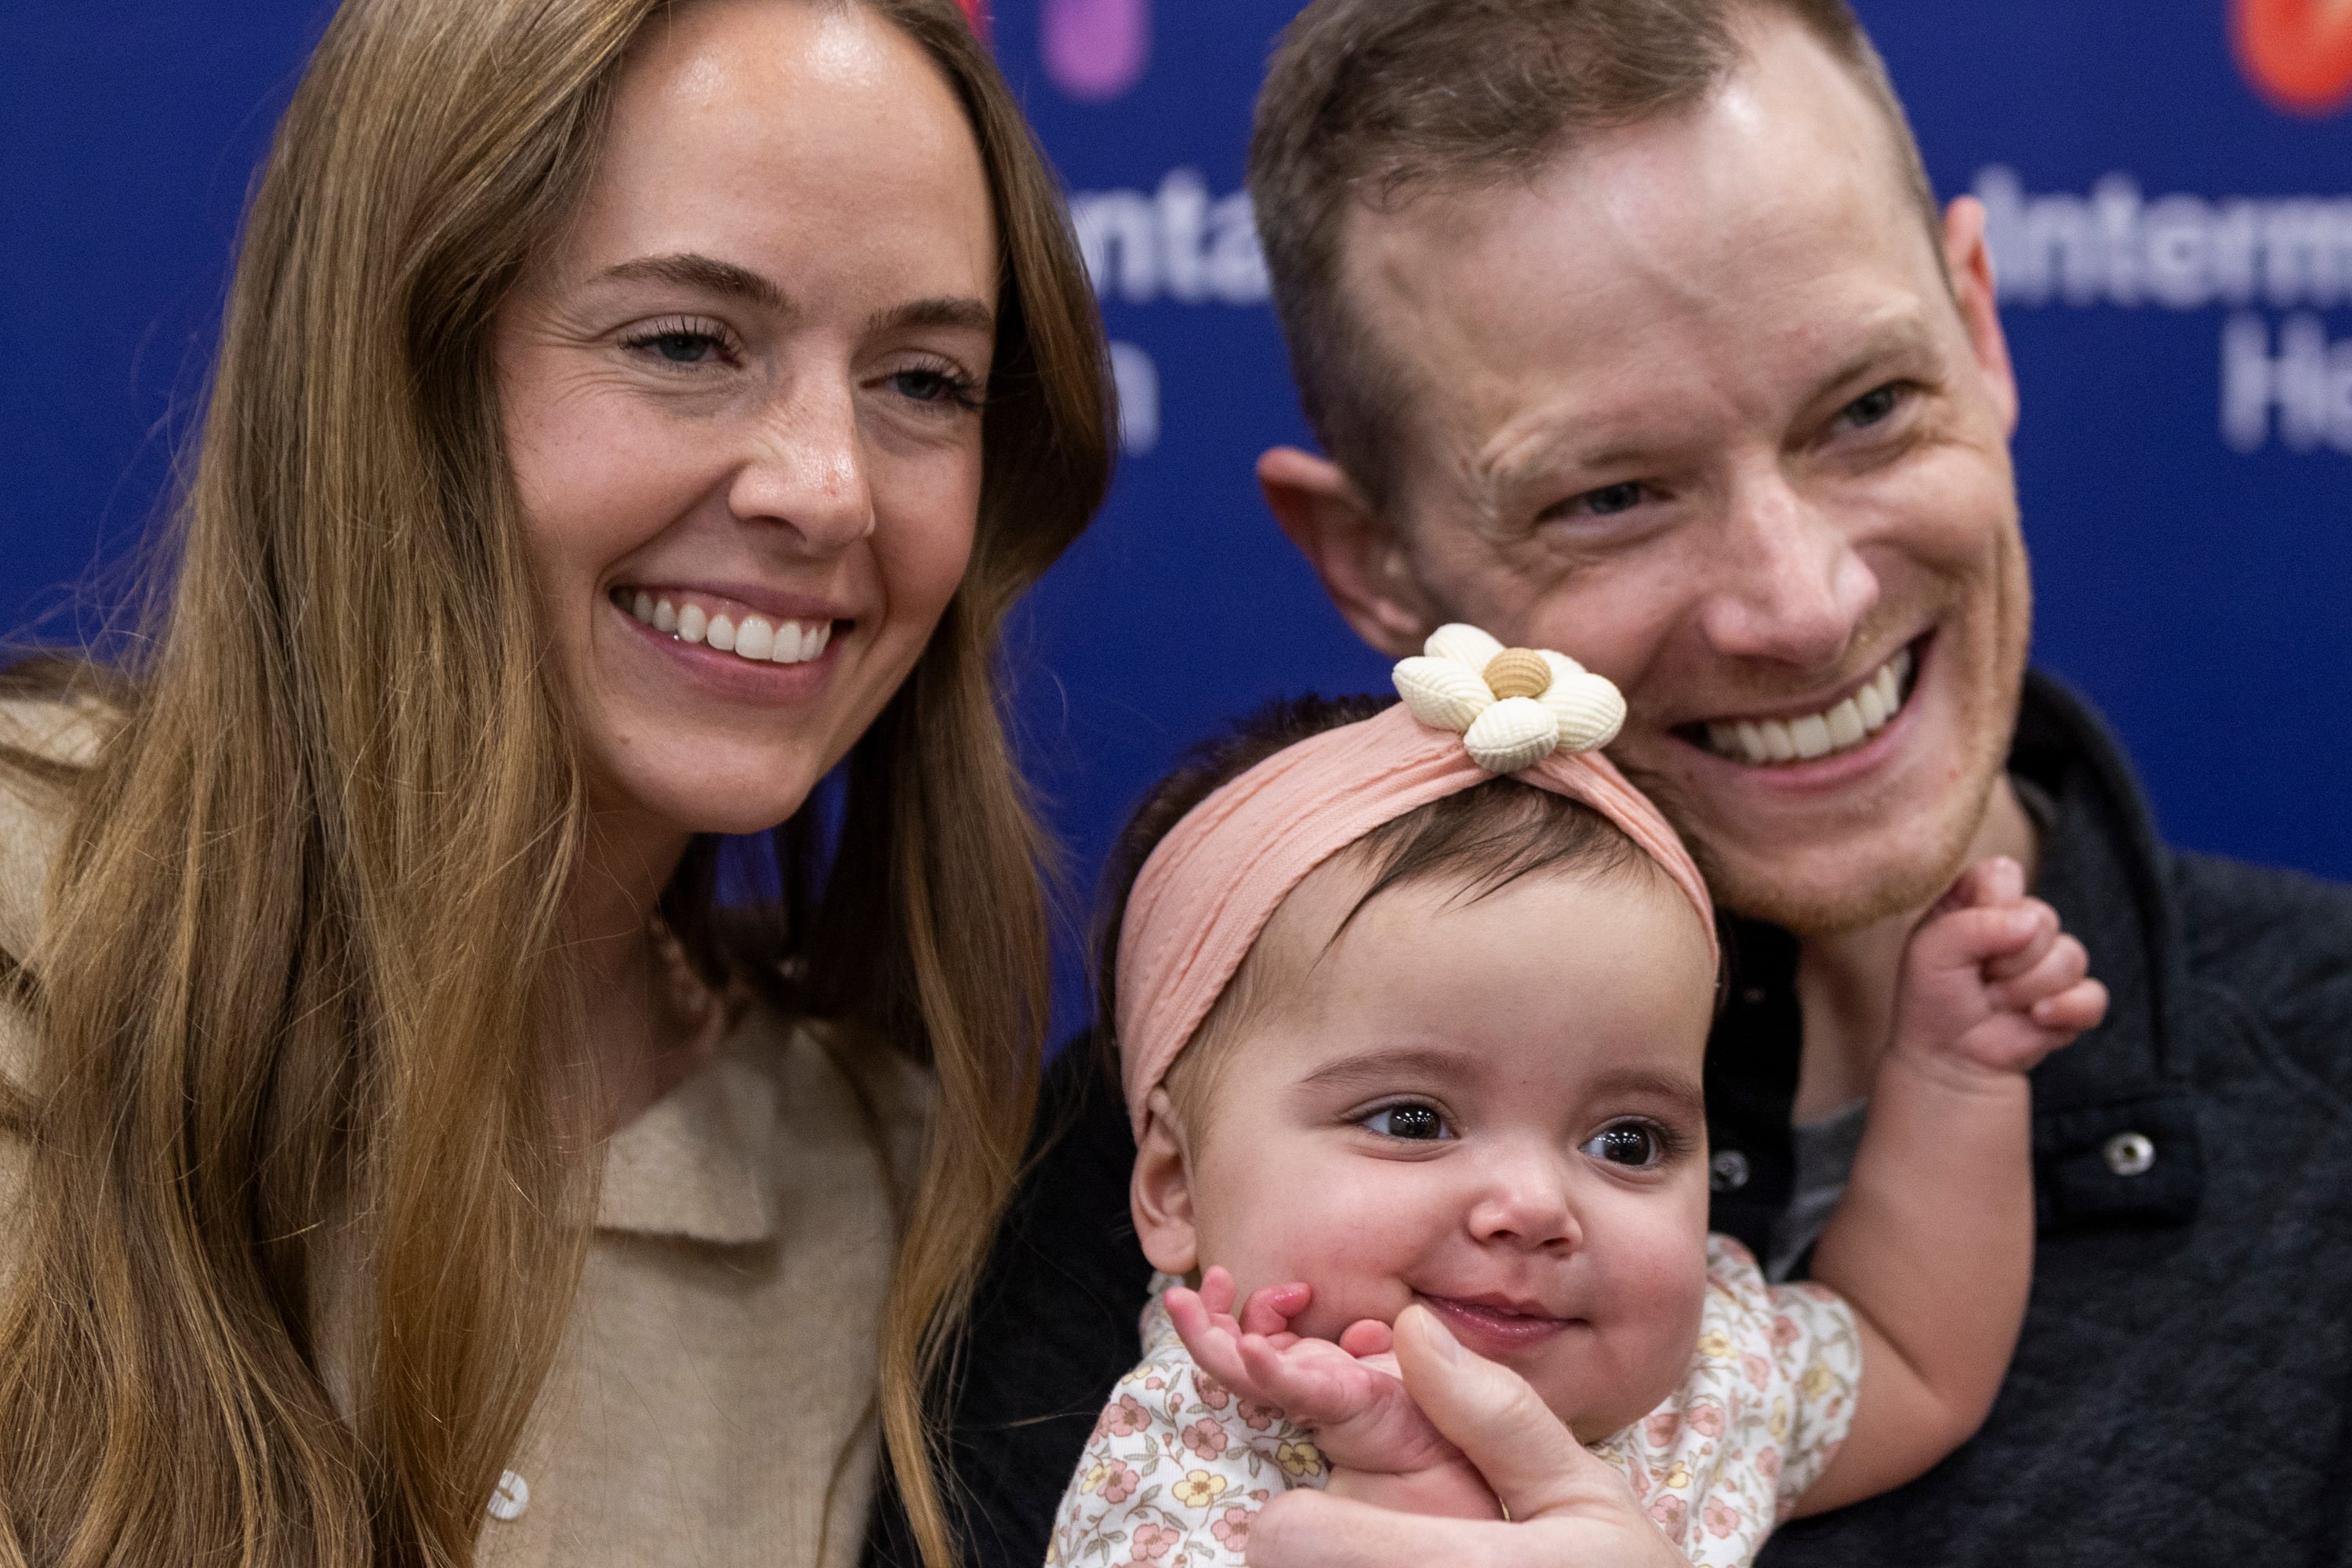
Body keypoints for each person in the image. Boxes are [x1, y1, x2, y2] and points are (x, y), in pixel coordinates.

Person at [874, 2, 2352, 1565]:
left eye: (1866, 408)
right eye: (1614, 495)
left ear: (1980, 329)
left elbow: (1904, 1353)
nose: (1802, 604)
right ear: (1369, 562)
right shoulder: (1120, 1186)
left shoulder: (2317, 1087)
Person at [0, 1, 1109, 1565]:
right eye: (684, 344)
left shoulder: (895, 1201)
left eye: (925, 381)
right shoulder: (26, 925)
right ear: (392, 370)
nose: (828, 487)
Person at [1043, 638, 2103, 1566]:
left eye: (1628, 1141)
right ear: (1177, 1187)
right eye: (1413, 1121)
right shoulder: (1190, 1458)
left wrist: (1956, 1075)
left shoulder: (1700, 1387)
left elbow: (1916, 1359)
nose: (1534, 1205)